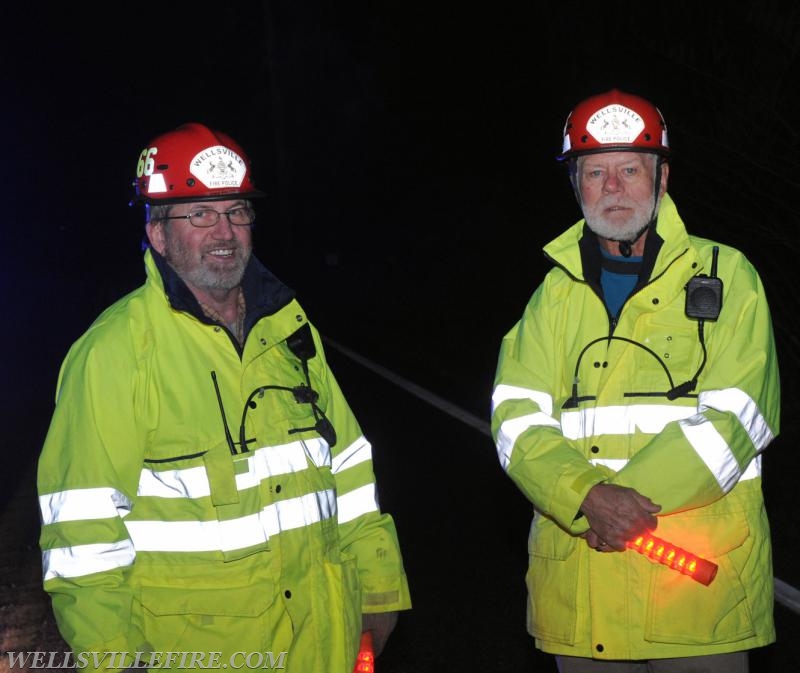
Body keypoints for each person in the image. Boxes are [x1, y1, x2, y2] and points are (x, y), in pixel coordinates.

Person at [37, 122, 411, 673]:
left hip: (322, 644)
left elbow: (351, 472)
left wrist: (378, 593)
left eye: (236, 211)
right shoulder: (115, 353)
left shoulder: (289, 331)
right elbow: (82, 539)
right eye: (199, 214)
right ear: (158, 234)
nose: (224, 231)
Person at [490, 89, 780, 672]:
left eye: (629, 169)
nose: (613, 187)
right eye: (595, 172)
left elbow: (741, 416)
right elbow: (514, 422)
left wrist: (618, 506)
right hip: (583, 598)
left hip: (696, 599)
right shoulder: (552, 296)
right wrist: (586, 497)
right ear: (576, 185)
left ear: (663, 176)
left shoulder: (729, 277)